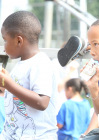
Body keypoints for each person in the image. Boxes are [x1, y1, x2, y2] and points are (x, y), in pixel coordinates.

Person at [0, 11, 58, 139]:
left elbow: (42, 102)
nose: (4, 48)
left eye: (5, 40)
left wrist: (9, 84)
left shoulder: (40, 62)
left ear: (19, 41)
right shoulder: (21, 64)